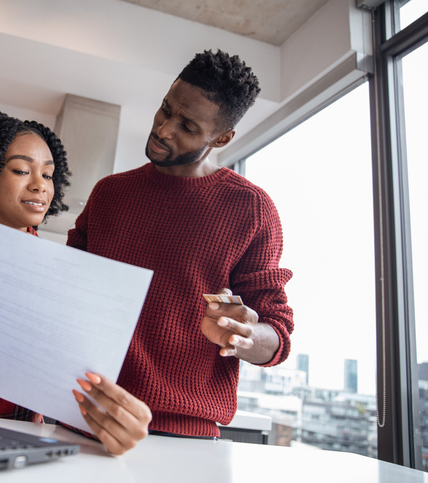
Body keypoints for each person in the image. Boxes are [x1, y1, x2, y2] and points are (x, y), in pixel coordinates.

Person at [67, 50, 294, 438]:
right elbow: (65, 292)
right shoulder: (109, 193)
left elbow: (276, 336)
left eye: (187, 126)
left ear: (221, 138)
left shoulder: (251, 209)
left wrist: (245, 333)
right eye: (164, 110)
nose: (164, 129)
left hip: (183, 437)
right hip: (83, 415)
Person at [0, 111, 152, 454]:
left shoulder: (63, 278)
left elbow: (75, 392)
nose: (40, 185)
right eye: (22, 170)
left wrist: (115, 420)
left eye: (48, 174)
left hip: (20, 451)